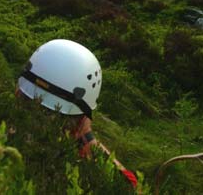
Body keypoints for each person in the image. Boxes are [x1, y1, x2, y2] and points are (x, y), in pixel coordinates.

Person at [17, 39, 138, 190]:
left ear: (19, 91)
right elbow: (130, 185)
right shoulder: (71, 172)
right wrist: (87, 136)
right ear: (82, 119)